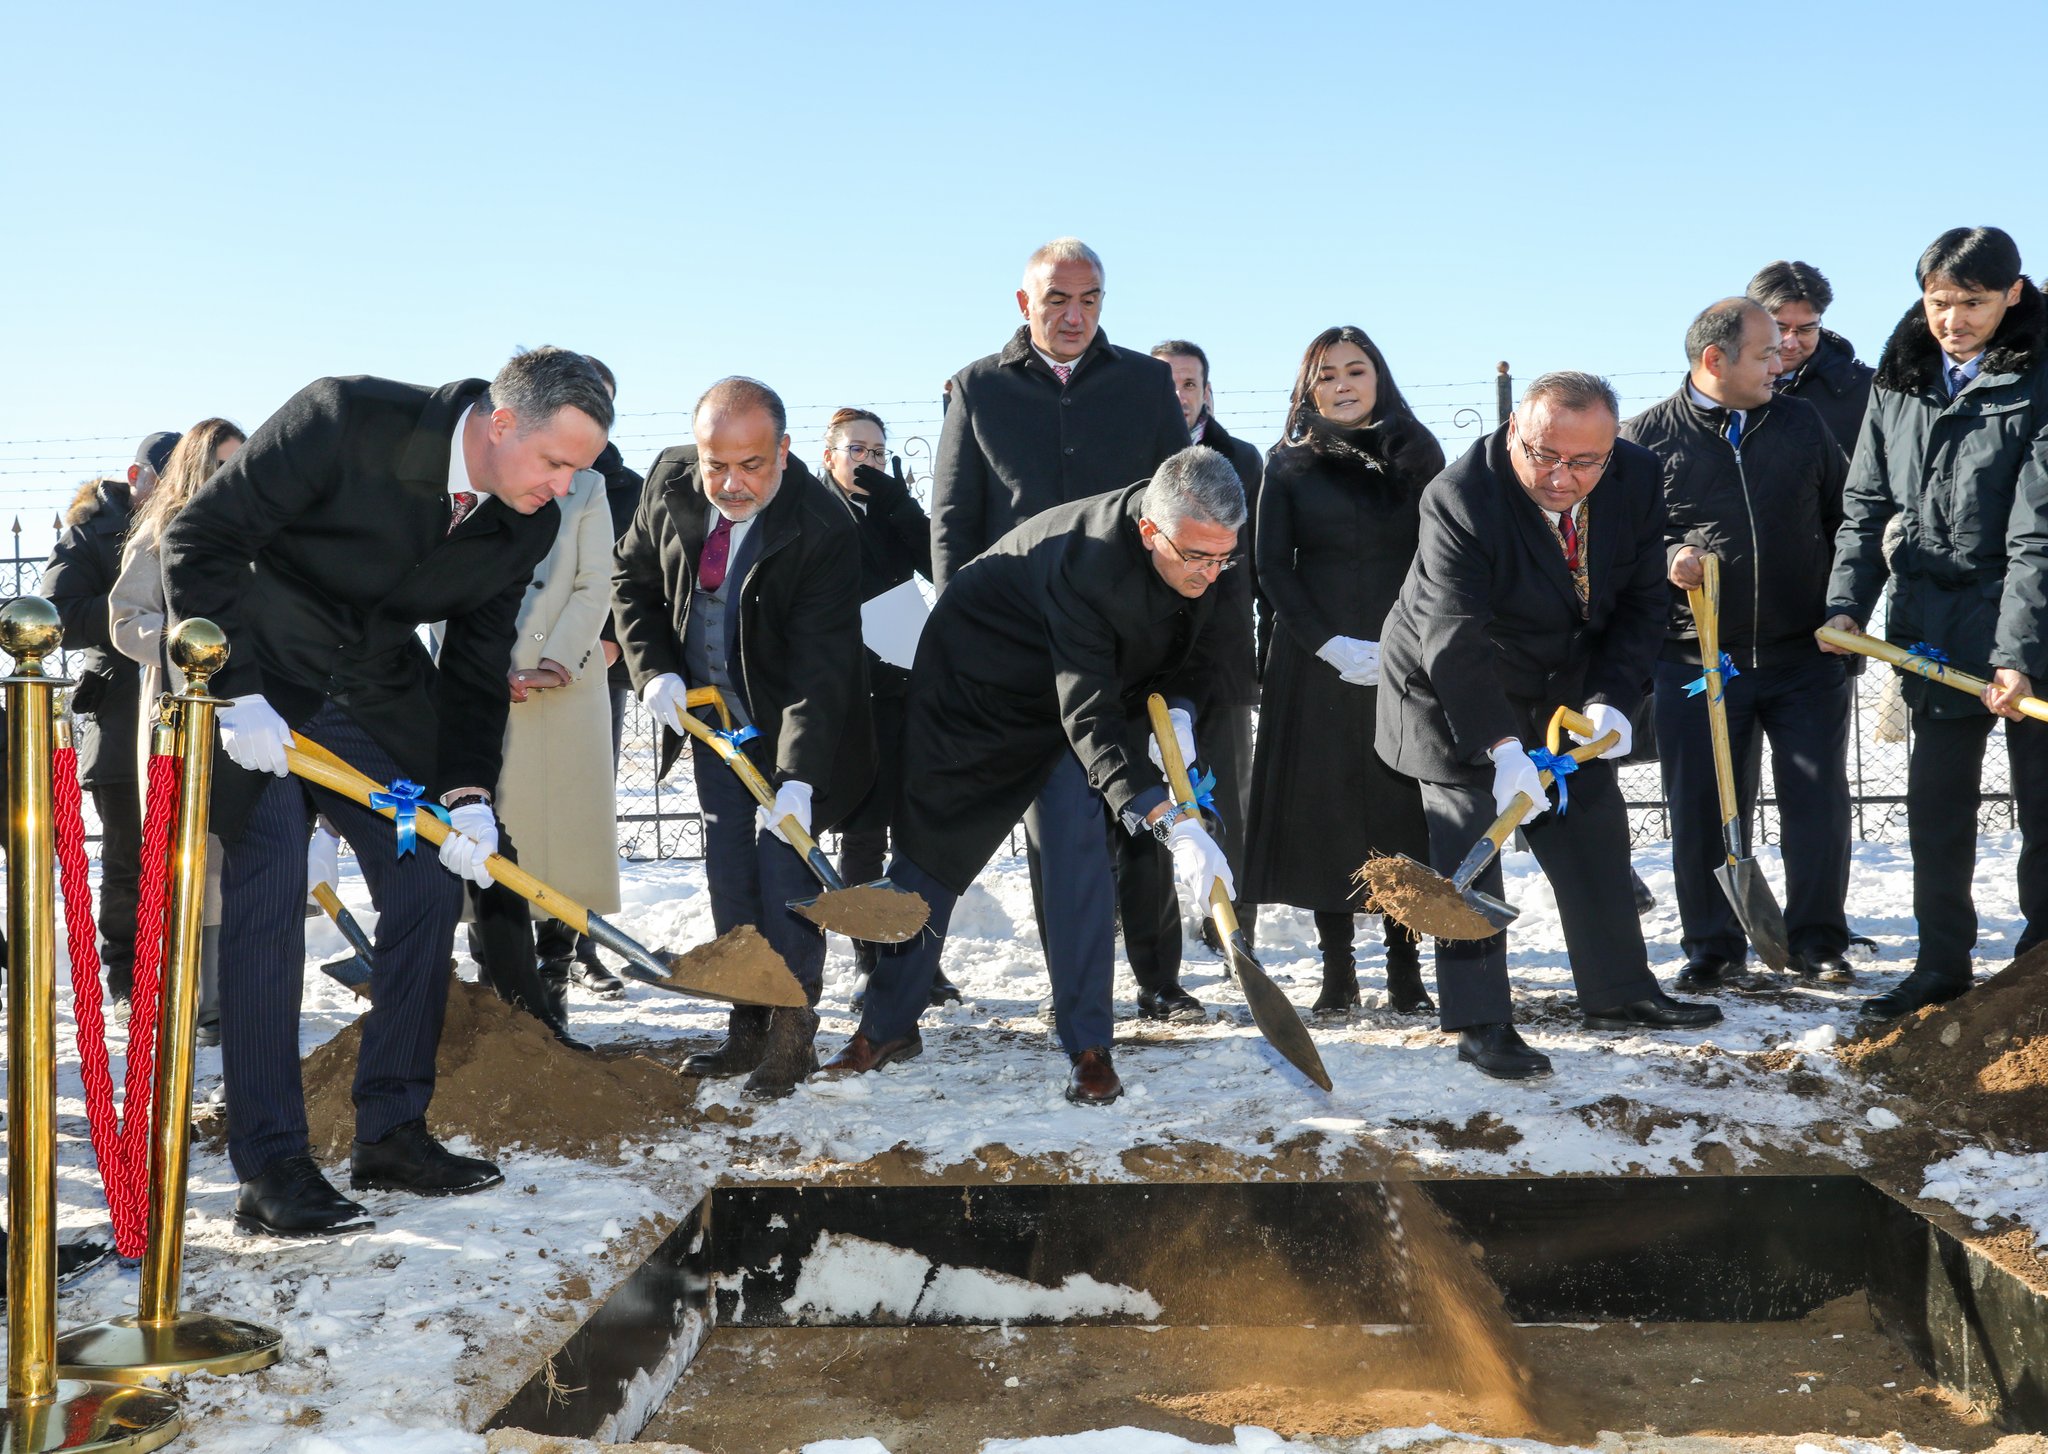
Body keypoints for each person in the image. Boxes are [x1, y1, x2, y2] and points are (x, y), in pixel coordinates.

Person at [163, 346, 612, 1236]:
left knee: (426, 882)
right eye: (556, 462)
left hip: (375, 695)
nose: (564, 487)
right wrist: (230, 685)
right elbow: (200, 539)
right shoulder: (345, 418)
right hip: (260, 684)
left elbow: (477, 661)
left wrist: (468, 790)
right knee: (268, 895)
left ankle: (393, 1131)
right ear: (500, 423)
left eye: (579, 470)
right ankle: (271, 1165)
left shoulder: (525, 521)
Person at [825, 448, 1243, 1105]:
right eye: (1196, 557)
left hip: (1074, 698)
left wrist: (1182, 719)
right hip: (978, 693)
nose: (1210, 573)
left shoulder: (1204, 548)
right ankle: (884, 1028)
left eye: (1223, 559)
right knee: (931, 857)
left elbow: (1202, 647)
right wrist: (1167, 822)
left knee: (1079, 861)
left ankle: (1089, 1046)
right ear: (1149, 531)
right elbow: (1090, 716)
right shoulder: (1088, 562)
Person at [1377, 371, 1723, 1080]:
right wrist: (1502, 750)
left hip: (1560, 682)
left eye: (1585, 462)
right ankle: (1481, 1021)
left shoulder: (1636, 475)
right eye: (1544, 456)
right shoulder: (1460, 496)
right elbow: (1454, 636)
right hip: (1451, 688)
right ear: (1515, 432)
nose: (1562, 478)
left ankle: (1619, 991)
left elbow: (1640, 602)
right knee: (1470, 839)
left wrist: (1610, 700)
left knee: (1592, 821)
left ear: (1611, 449)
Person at [930, 237, 1196, 1024]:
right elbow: (953, 522)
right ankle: (1068, 990)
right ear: (1025, 304)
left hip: (1125, 639)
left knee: (1135, 808)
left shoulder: (1145, 383)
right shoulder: (978, 388)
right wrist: (966, 636)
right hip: (1023, 647)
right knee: (1050, 827)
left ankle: (1156, 980)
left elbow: (1179, 501)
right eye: (1057, 301)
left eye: (1089, 300)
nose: (1074, 316)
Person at [612, 377, 874, 1100]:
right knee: (729, 869)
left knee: (785, 877)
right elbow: (631, 578)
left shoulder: (822, 526)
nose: (730, 484)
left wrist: (798, 779)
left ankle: (792, 1036)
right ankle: (746, 1025)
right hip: (707, 717)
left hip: (787, 719)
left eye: (751, 465)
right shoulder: (670, 478)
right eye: (716, 465)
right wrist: (654, 671)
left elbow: (820, 666)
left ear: (784, 451)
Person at [1824, 226, 2048, 1018]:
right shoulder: (1902, 378)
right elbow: (1866, 504)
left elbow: (2037, 535)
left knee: (2044, 810)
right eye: (1938, 301)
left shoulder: (2039, 377)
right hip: (1935, 630)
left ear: (2012, 295)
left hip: (2036, 626)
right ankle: (1940, 965)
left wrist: (2017, 656)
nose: (1953, 320)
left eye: (1973, 303)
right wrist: (1846, 603)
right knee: (1937, 811)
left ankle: (2038, 971)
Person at [1622, 299, 1853, 990]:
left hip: (1804, 655)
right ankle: (1714, 946)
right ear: (1714, 360)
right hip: (1694, 660)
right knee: (1702, 806)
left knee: (1817, 801)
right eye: (1766, 352)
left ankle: (1818, 942)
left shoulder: (1802, 423)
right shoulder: (1645, 440)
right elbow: (1621, 545)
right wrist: (1669, 556)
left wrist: (1844, 609)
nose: (1781, 362)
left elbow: (1847, 520)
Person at [1243, 327, 1442, 1017]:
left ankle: (1406, 968)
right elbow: (1270, 566)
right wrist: (1326, 643)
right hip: (1317, 662)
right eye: (1326, 375)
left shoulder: (1419, 454)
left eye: (1355, 370)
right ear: (1309, 389)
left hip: (1403, 656)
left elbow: (1440, 557)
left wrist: (1407, 643)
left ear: (1378, 377)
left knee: (1399, 809)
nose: (1342, 385)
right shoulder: (1288, 466)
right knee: (1325, 812)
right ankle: (1338, 970)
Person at [457, 456, 621, 1045]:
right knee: (488, 837)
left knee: (565, 849)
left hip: (566, 687)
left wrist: (558, 661)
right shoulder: (475, 477)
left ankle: (552, 996)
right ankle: (500, 993)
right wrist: (478, 666)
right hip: (481, 681)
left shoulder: (590, 487)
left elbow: (594, 582)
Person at [109, 417, 247, 1045]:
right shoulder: (158, 531)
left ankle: (230, 994)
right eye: (220, 464)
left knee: (240, 853)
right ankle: (194, 998)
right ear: (196, 466)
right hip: (177, 715)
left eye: (239, 463)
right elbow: (125, 621)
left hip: (249, 710)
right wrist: (186, 648)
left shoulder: (258, 527)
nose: (231, 475)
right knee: (188, 854)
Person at [816, 407, 959, 1012]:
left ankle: (919, 958)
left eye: (877, 452)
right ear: (829, 455)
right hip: (846, 690)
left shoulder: (891, 510)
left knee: (915, 829)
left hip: (902, 681)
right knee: (863, 832)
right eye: (856, 450)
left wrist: (900, 505)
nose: (867, 461)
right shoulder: (814, 511)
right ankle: (869, 958)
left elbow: (940, 564)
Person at [43, 431, 177, 1014]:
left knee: (199, 855)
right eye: (167, 483)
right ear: (137, 476)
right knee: (129, 860)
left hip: (194, 710)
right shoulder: (91, 530)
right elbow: (60, 616)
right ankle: (126, 976)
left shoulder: (208, 521)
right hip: (122, 716)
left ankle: (195, 976)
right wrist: (137, 609)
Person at [1151, 339, 1264, 983]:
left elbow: (1258, 563)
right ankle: (1147, 924)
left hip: (1220, 658)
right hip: (1145, 657)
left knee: (1227, 796)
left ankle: (1231, 920)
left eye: (1189, 383)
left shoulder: (1242, 460)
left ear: (1206, 392)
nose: (1178, 395)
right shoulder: (1131, 455)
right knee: (1146, 796)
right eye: (1166, 383)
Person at [568, 354, 640, 998]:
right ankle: (516, 949)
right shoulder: (522, 473)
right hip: (517, 672)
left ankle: (581, 946)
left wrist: (614, 643)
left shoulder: (628, 487)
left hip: (600, 673)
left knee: (587, 814)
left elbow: (636, 574)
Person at [1747, 260, 1878, 456]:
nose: (1791, 343)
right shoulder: (1721, 389)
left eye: (1806, 329)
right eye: (1780, 328)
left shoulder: (1869, 392)